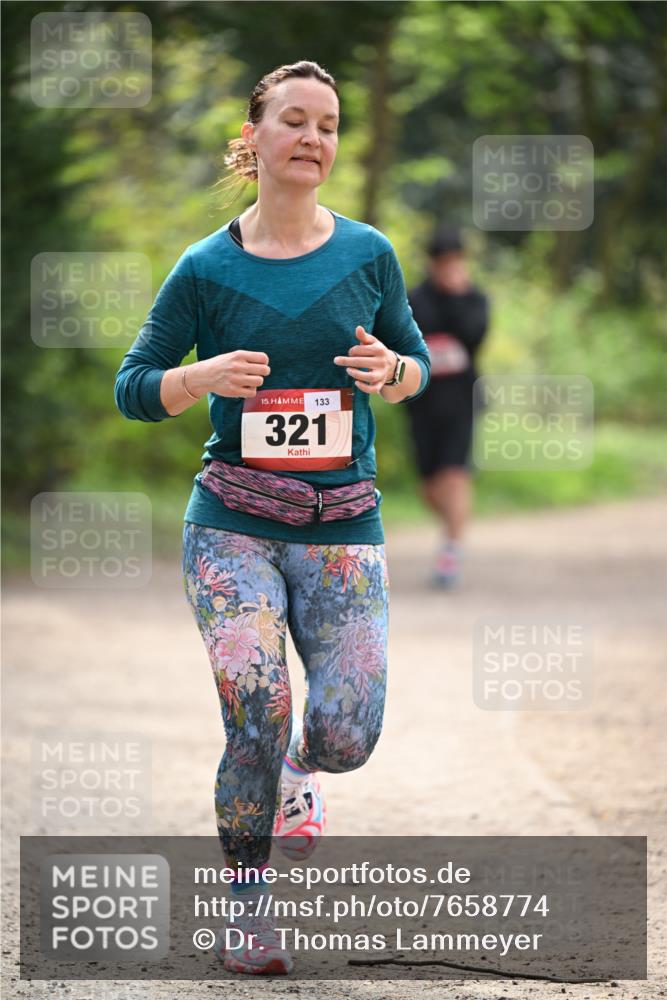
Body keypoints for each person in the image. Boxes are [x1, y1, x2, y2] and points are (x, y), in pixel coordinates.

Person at [114, 60, 430, 976]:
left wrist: (392, 375)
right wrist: (198, 378)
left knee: (346, 734)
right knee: (255, 707)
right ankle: (246, 910)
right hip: (231, 526)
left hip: (343, 527)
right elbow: (135, 387)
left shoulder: (368, 252)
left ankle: (302, 775)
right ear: (252, 137)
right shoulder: (205, 268)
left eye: (328, 125)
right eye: (293, 121)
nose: (312, 139)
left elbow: (416, 364)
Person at [404, 226, 489, 587]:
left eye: (455, 261)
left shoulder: (474, 299)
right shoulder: (413, 298)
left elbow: (474, 337)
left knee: (454, 474)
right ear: (432, 263)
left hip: (461, 399)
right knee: (428, 487)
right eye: (443, 262)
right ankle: (455, 526)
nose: (449, 268)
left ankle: (451, 550)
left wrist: (457, 296)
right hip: (422, 402)